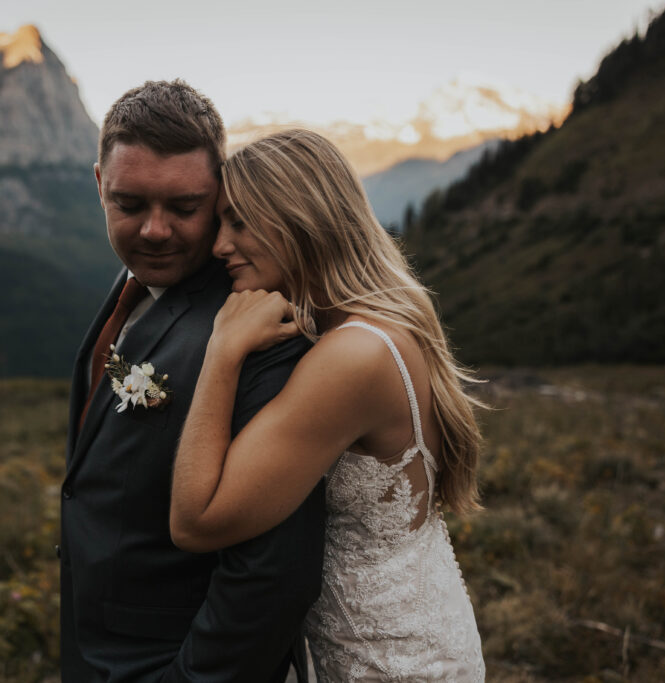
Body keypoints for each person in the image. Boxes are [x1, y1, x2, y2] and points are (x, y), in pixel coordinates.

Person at [170, 128, 486, 681]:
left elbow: (197, 522)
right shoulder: (382, 320)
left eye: (239, 221)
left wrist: (222, 352)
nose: (220, 245)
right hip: (415, 639)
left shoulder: (352, 357)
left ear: (299, 217)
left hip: (390, 665)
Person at [60, 82, 326, 682]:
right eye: (129, 205)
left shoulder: (254, 328)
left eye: (184, 208)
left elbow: (273, 573)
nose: (155, 231)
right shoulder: (133, 284)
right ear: (99, 183)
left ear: (221, 195)